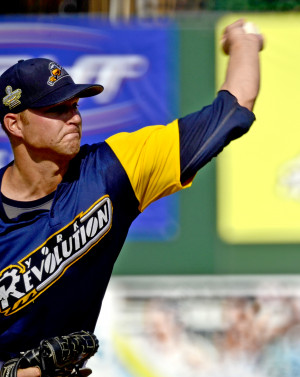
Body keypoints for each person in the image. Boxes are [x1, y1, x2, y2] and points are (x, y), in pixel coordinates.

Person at [0, 19, 263, 377]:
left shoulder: (112, 169)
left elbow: (232, 112)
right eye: (56, 109)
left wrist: (244, 39)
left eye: (75, 105)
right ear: (14, 124)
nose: (74, 118)